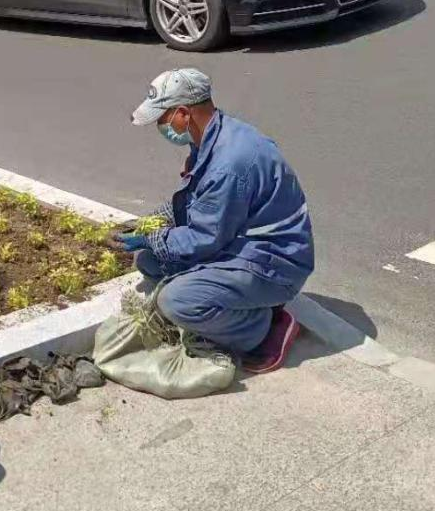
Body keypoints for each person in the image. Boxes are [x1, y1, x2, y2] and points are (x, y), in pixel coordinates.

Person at [111, 69, 314, 374]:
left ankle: (261, 328)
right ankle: (239, 304)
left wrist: (152, 238)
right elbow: (197, 202)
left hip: (274, 264)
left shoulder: (229, 163)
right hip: (242, 244)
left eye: (162, 120)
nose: (161, 127)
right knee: (150, 262)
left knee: (176, 302)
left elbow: (204, 238)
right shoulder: (213, 137)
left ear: (183, 114)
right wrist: (150, 223)